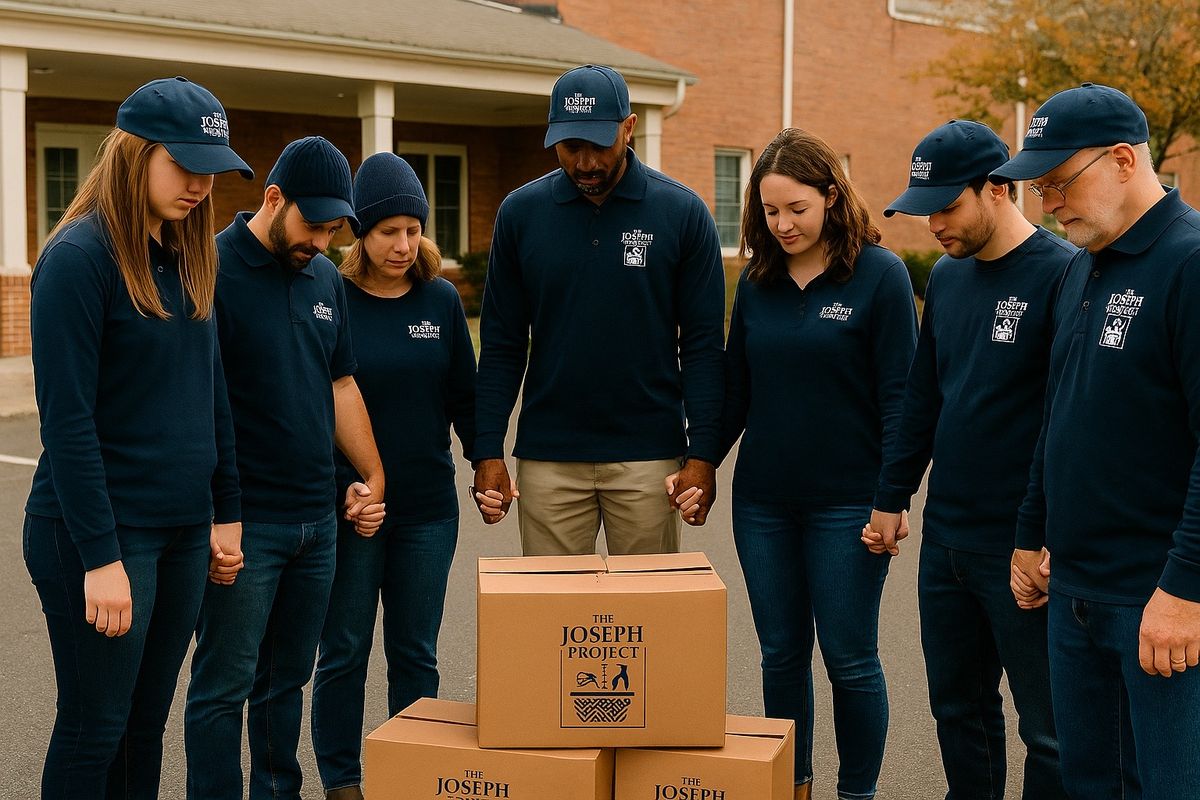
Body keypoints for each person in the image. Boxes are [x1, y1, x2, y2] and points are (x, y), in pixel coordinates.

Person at [23, 76, 252, 798]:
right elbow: (66, 421)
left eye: (209, 170)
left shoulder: (188, 256)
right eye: (183, 164)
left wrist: (226, 508)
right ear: (134, 153)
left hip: (183, 533)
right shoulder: (78, 259)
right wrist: (101, 557)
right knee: (96, 727)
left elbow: (211, 393)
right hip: (101, 536)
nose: (199, 184)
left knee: (144, 727)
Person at [994, 83, 1200, 799]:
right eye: (1039, 187)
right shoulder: (1081, 263)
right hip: (1074, 589)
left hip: (1156, 602)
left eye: (1057, 183)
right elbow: (1060, 409)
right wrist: (1030, 529)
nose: (1047, 205)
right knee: (1089, 783)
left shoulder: (1189, 262)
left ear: (1121, 159)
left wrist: (1184, 590)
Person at [865, 120, 1074, 799]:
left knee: (1046, 728)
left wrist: (1035, 535)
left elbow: (1061, 421)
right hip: (947, 539)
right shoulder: (949, 280)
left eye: (946, 206)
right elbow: (923, 394)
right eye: (924, 210)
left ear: (997, 188)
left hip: (1019, 544)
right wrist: (892, 495)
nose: (932, 225)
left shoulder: (1063, 274)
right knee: (957, 710)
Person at [184, 136, 386, 800]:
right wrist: (221, 517)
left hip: (317, 521)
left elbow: (342, 386)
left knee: (286, 681)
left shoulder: (325, 278)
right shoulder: (209, 268)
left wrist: (372, 475)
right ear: (273, 198)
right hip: (247, 523)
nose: (323, 242)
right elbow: (195, 401)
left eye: (334, 228)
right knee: (224, 686)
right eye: (313, 224)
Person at [719, 128, 918, 800]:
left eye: (797, 209)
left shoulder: (880, 278)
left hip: (849, 505)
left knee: (850, 657)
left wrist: (893, 498)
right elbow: (734, 392)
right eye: (770, 212)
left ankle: (855, 792)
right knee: (780, 655)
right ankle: (792, 784)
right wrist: (697, 467)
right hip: (764, 504)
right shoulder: (758, 283)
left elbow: (901, 401)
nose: (782, 225)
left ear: (832, 196)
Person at [472, 64, 725, 553]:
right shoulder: (520, 214)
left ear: (628, 129)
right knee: (552, 619)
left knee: (646, 621)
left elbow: (702, 348)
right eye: (571, 147)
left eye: (598, 145)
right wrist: (487, 448)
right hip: (549, 455)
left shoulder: (681, 213)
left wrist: (704, 455)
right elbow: (503, 343)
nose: (585, 162)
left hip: (649, 456)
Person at [310, 152, 476, 800]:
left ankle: (413, 774)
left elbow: (464, 397)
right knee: (344, 650)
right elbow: (317, 400)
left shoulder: (438, 298)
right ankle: (342, 781)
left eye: (413, 229)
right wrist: (340, 489)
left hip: (428, 510)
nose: (404, 244)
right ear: (359, 232)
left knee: (415, 652)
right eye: (389, 231)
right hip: (352, 509)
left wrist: (486, 461)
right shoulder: (333, 296)